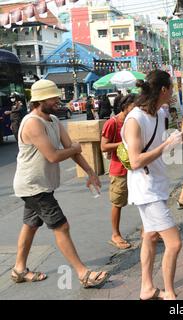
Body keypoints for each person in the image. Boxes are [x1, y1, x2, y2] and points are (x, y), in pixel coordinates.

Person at [11, 79, 109, 288]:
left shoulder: (53, 119)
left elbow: (70, 147)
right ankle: (84, 274)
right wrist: (75, 149)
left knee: (31, 225)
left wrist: (90, 171)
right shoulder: (33, 123)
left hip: (40, 184)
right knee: (61, 226)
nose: (58, 100)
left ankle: (19, 269)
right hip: (34, 186)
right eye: (53, 97)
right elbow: (54, 156)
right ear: (40, 100)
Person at [122, 70, 183, 300]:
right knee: (174, 243)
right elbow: (136, 160)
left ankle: (146, 288)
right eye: (172, 88)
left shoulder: (158, 113)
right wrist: (167, 145)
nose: (174, 93)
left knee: (150, 236)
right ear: (164, 90)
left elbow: (159, 144)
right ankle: (170, 294)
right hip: (146, 189)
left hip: (157, 184)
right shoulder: (135, 119)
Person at [101, 94, 136, 250]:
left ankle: (147, 230)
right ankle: (115, 234)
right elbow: (104, 146)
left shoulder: (133, 122)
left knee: (142, 199)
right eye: (134, 106)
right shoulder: (112, 123)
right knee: (118, 203)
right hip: (119, 169)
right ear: (125, 106)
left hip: (134, 168)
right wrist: (124, 143)